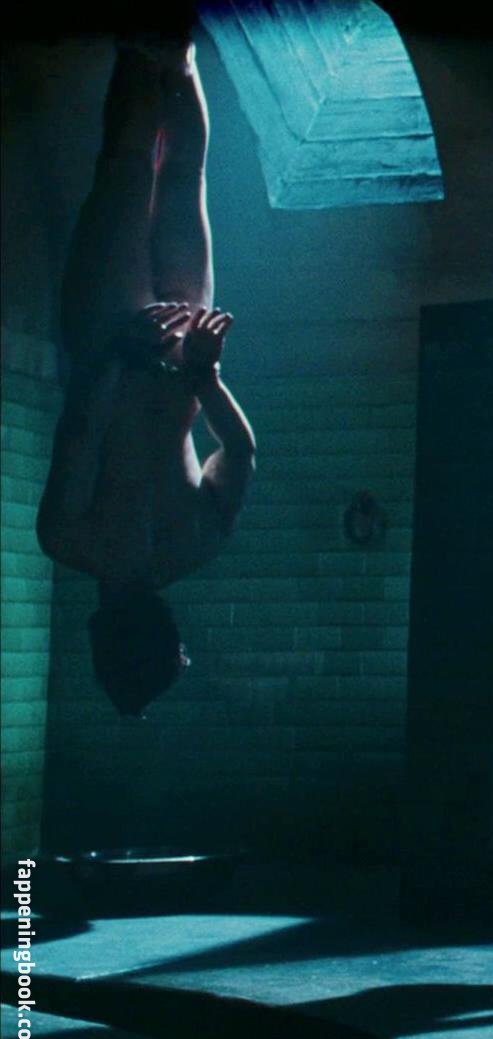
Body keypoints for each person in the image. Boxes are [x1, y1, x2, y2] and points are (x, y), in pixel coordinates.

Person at [37, 29, 256, 718]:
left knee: (164, 171)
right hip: (132, 347)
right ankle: (159, 44)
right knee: (139, 167)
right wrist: (186, 372)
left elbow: (239, 450)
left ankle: (169, 45)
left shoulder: (187, 546)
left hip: (153, 352)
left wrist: (201, 377)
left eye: (175, 651)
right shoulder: (69, 539)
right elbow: (80, 433)